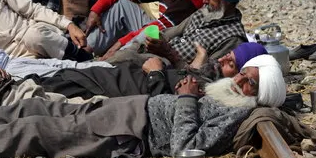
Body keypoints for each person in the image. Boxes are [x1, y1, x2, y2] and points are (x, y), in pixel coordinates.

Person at [0, 55, 286, 158]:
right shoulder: (227, 94)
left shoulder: (237, 114)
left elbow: (184, 146)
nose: (240, 81)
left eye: (250, 82)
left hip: (128, 134)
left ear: (258, 95)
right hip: (125, 109)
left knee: (38, 130)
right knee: (32, 107)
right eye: (244, 75)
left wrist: (186, 98)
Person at [36, 42, 268, 100]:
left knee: (50, 85)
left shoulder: (214, 96)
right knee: (55, 76)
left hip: (118, 89)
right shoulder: (214, 80)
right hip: (119, 77)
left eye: (232, 65)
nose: (223, 61)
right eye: (227, 55)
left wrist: (156, 73)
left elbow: (162, 110)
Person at [143, 0, 252, 65]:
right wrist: (151, 41)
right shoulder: (205, 12)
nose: (204, 1)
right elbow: (170, 32)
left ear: (228, 0)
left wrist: (169, 54)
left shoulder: (232, 39)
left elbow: (204, 76)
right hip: (153, 56)